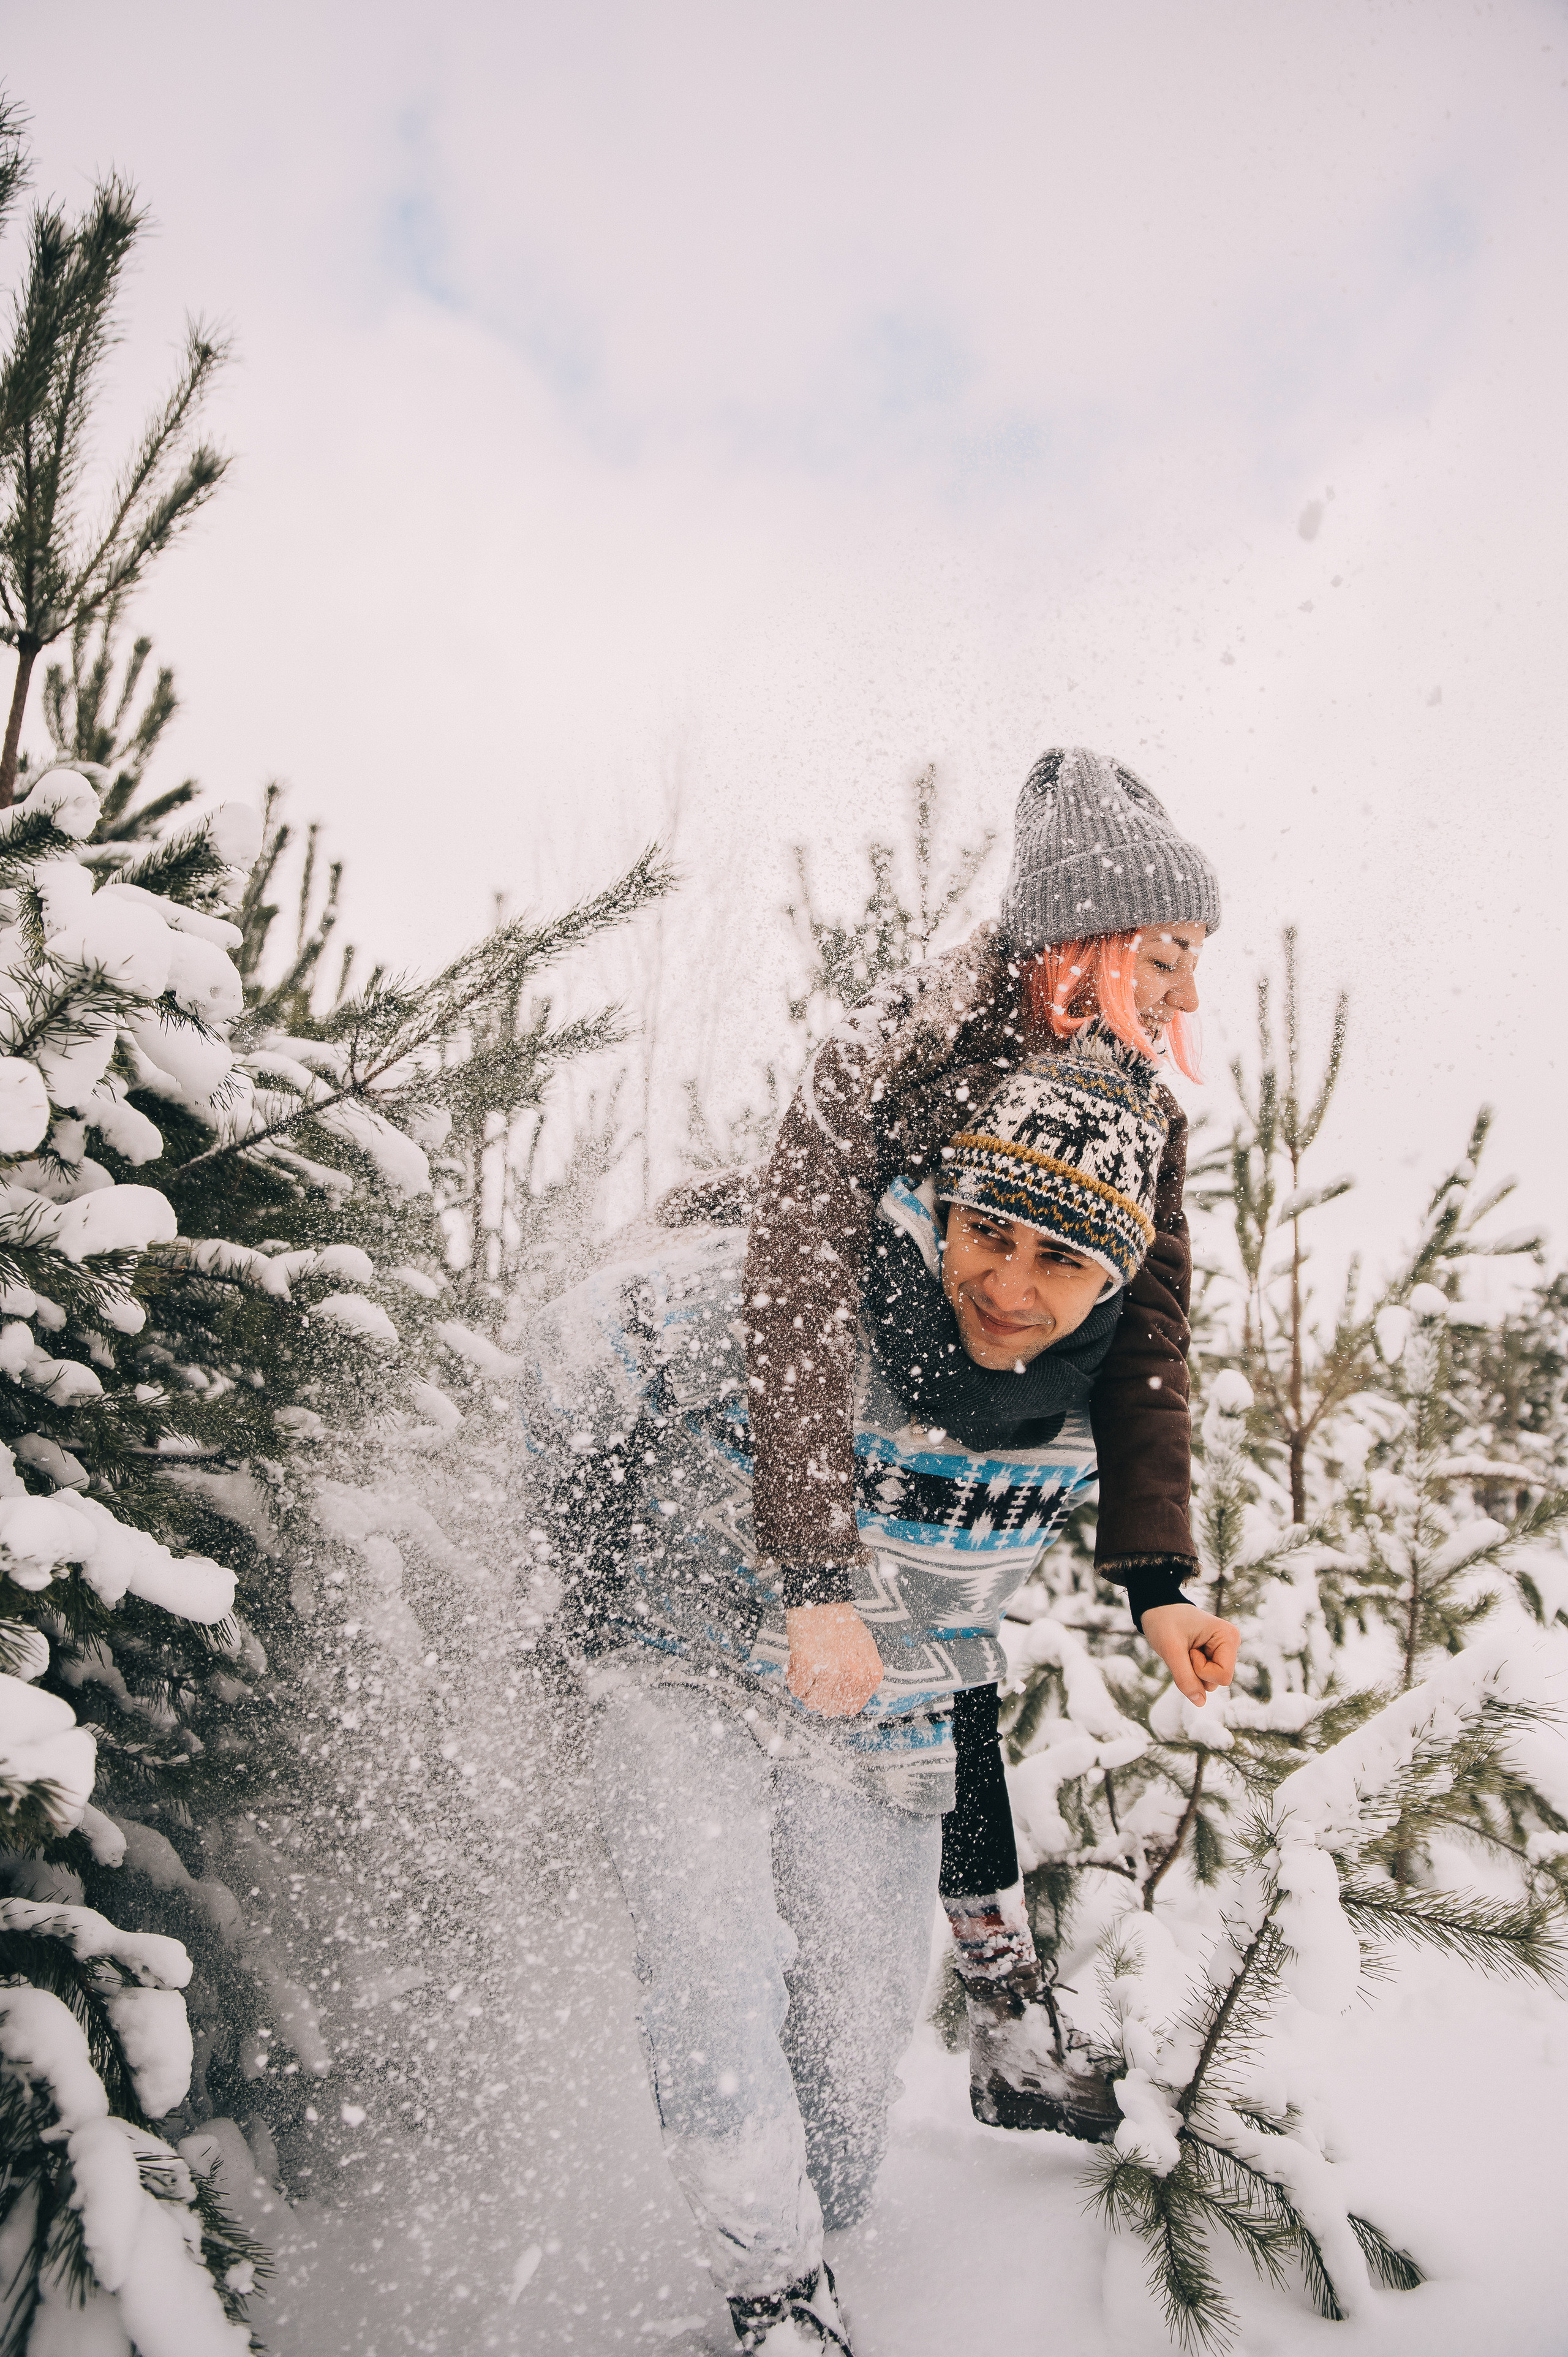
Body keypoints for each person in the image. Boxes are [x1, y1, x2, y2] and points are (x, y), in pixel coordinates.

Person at [518, 1038, 1239, 2355]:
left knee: (847, 2096)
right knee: (711, 1961)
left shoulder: (1076, 1430)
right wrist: (578, 1594)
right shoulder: (771, 1304)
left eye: (1061, 1262)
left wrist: (994, 1971)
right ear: (946, 1203)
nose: (1010, 1286)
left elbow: (955, 1670)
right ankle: (773, 2294)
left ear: (1113, 1281)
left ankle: (822, 2215)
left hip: (871, 1729)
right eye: (988, 1232)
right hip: (674, 1666)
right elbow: (569, 1358)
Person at [741, 746, 1227, 2125]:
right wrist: (809, 1572)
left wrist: (1155, 1579)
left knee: (949, 1671)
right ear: (1082, 941)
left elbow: (1149, 1338)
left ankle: (1003, 2015)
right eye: (1169, 952)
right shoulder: (899, 1046)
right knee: (858, 1665)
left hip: (967, 1415)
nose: (1189, 992)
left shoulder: (1139, 1105)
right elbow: (785, 1305)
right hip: (814, 1392)